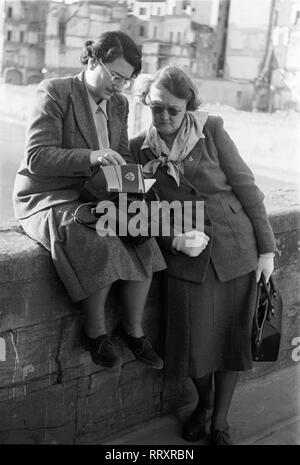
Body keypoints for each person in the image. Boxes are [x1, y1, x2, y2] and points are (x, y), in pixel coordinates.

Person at [129, 66, 277, 444]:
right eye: (156, 107)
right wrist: (172, 239)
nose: (164, 118)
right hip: (187, 260)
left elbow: (247, 188)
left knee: (231, 341)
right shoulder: (137, 148)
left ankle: (220, 423)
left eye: (173, 110)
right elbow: (140, 213)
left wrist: (267, 250)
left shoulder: (212, 130)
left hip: (235, 249)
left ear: (189, 107)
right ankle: (204, 404)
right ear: (147, 102)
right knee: (194, 344)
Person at [13, 31, 166, 370]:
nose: (119, 86)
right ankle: (95, 334)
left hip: (98, 192)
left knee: (144, 239)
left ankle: (133, 331)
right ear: (94, 60)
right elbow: (37, 157)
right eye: (115, 76)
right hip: (50, 194)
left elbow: (123, 154)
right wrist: (92, 157)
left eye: (127, 81)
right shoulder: (55, 92)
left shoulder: (119, 104)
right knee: (101, 239)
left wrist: (136, 184)